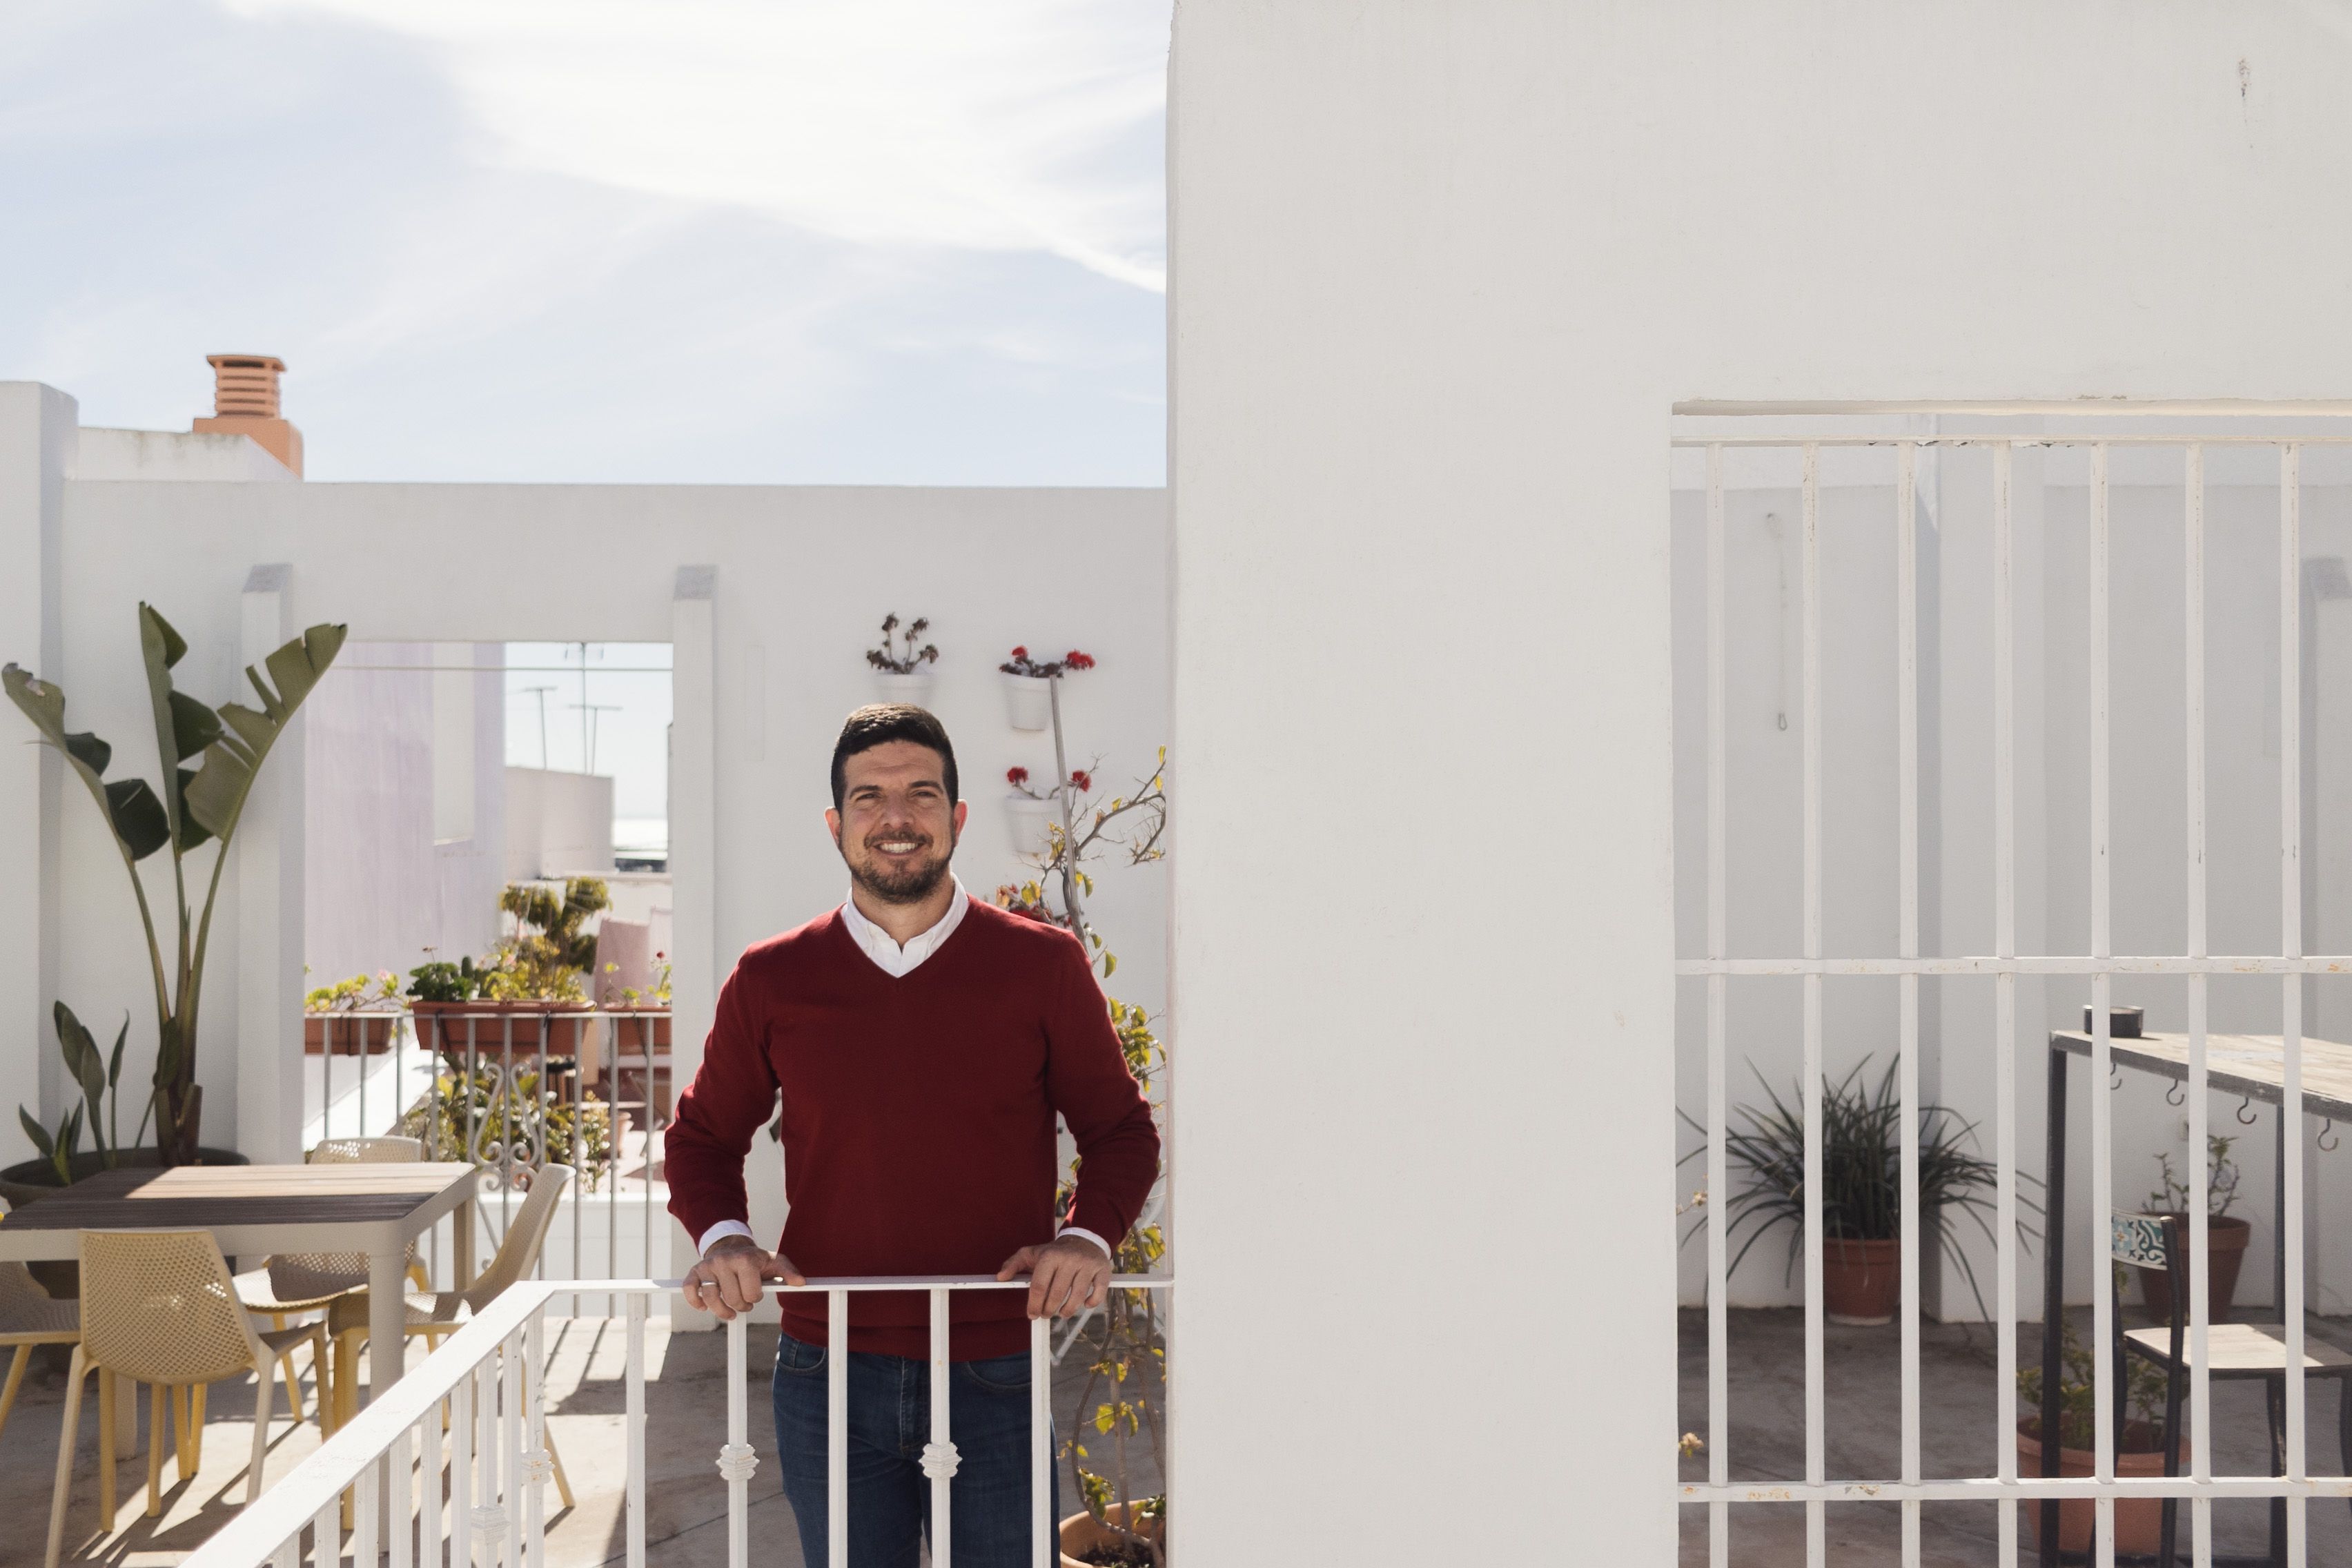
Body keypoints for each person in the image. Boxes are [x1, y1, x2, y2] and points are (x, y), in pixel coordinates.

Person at [665, 704, 1160, 1568]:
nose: (896, 818)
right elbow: (703, 1136)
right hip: (826, 1366)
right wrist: (725, 1235)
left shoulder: (1043, 966)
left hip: (995, 1364)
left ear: (957, 817)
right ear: (837, 824)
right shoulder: (772, 976)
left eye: (920, 794)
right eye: (869, 798)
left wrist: (1087, 1234)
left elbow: (1119, 1128)